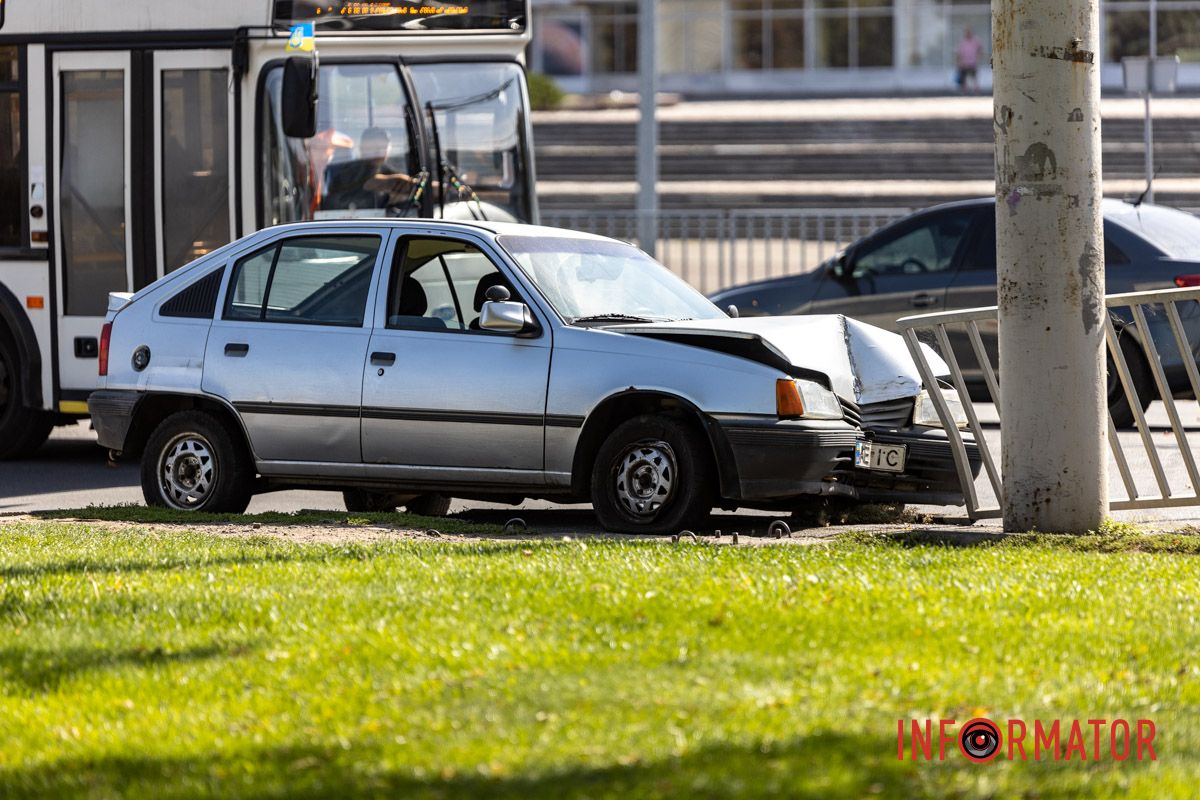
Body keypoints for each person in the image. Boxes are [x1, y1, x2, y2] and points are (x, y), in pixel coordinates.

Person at [956, 27, 984, 95]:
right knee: (963, 77)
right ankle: (964, 91)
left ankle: (976, 91)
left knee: (974, 77)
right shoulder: (963, 41)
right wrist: (959, 61)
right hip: (964, 63)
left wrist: (978, 57)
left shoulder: (975, 41)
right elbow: (959, 52)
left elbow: (980, 49)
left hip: (972, 62)